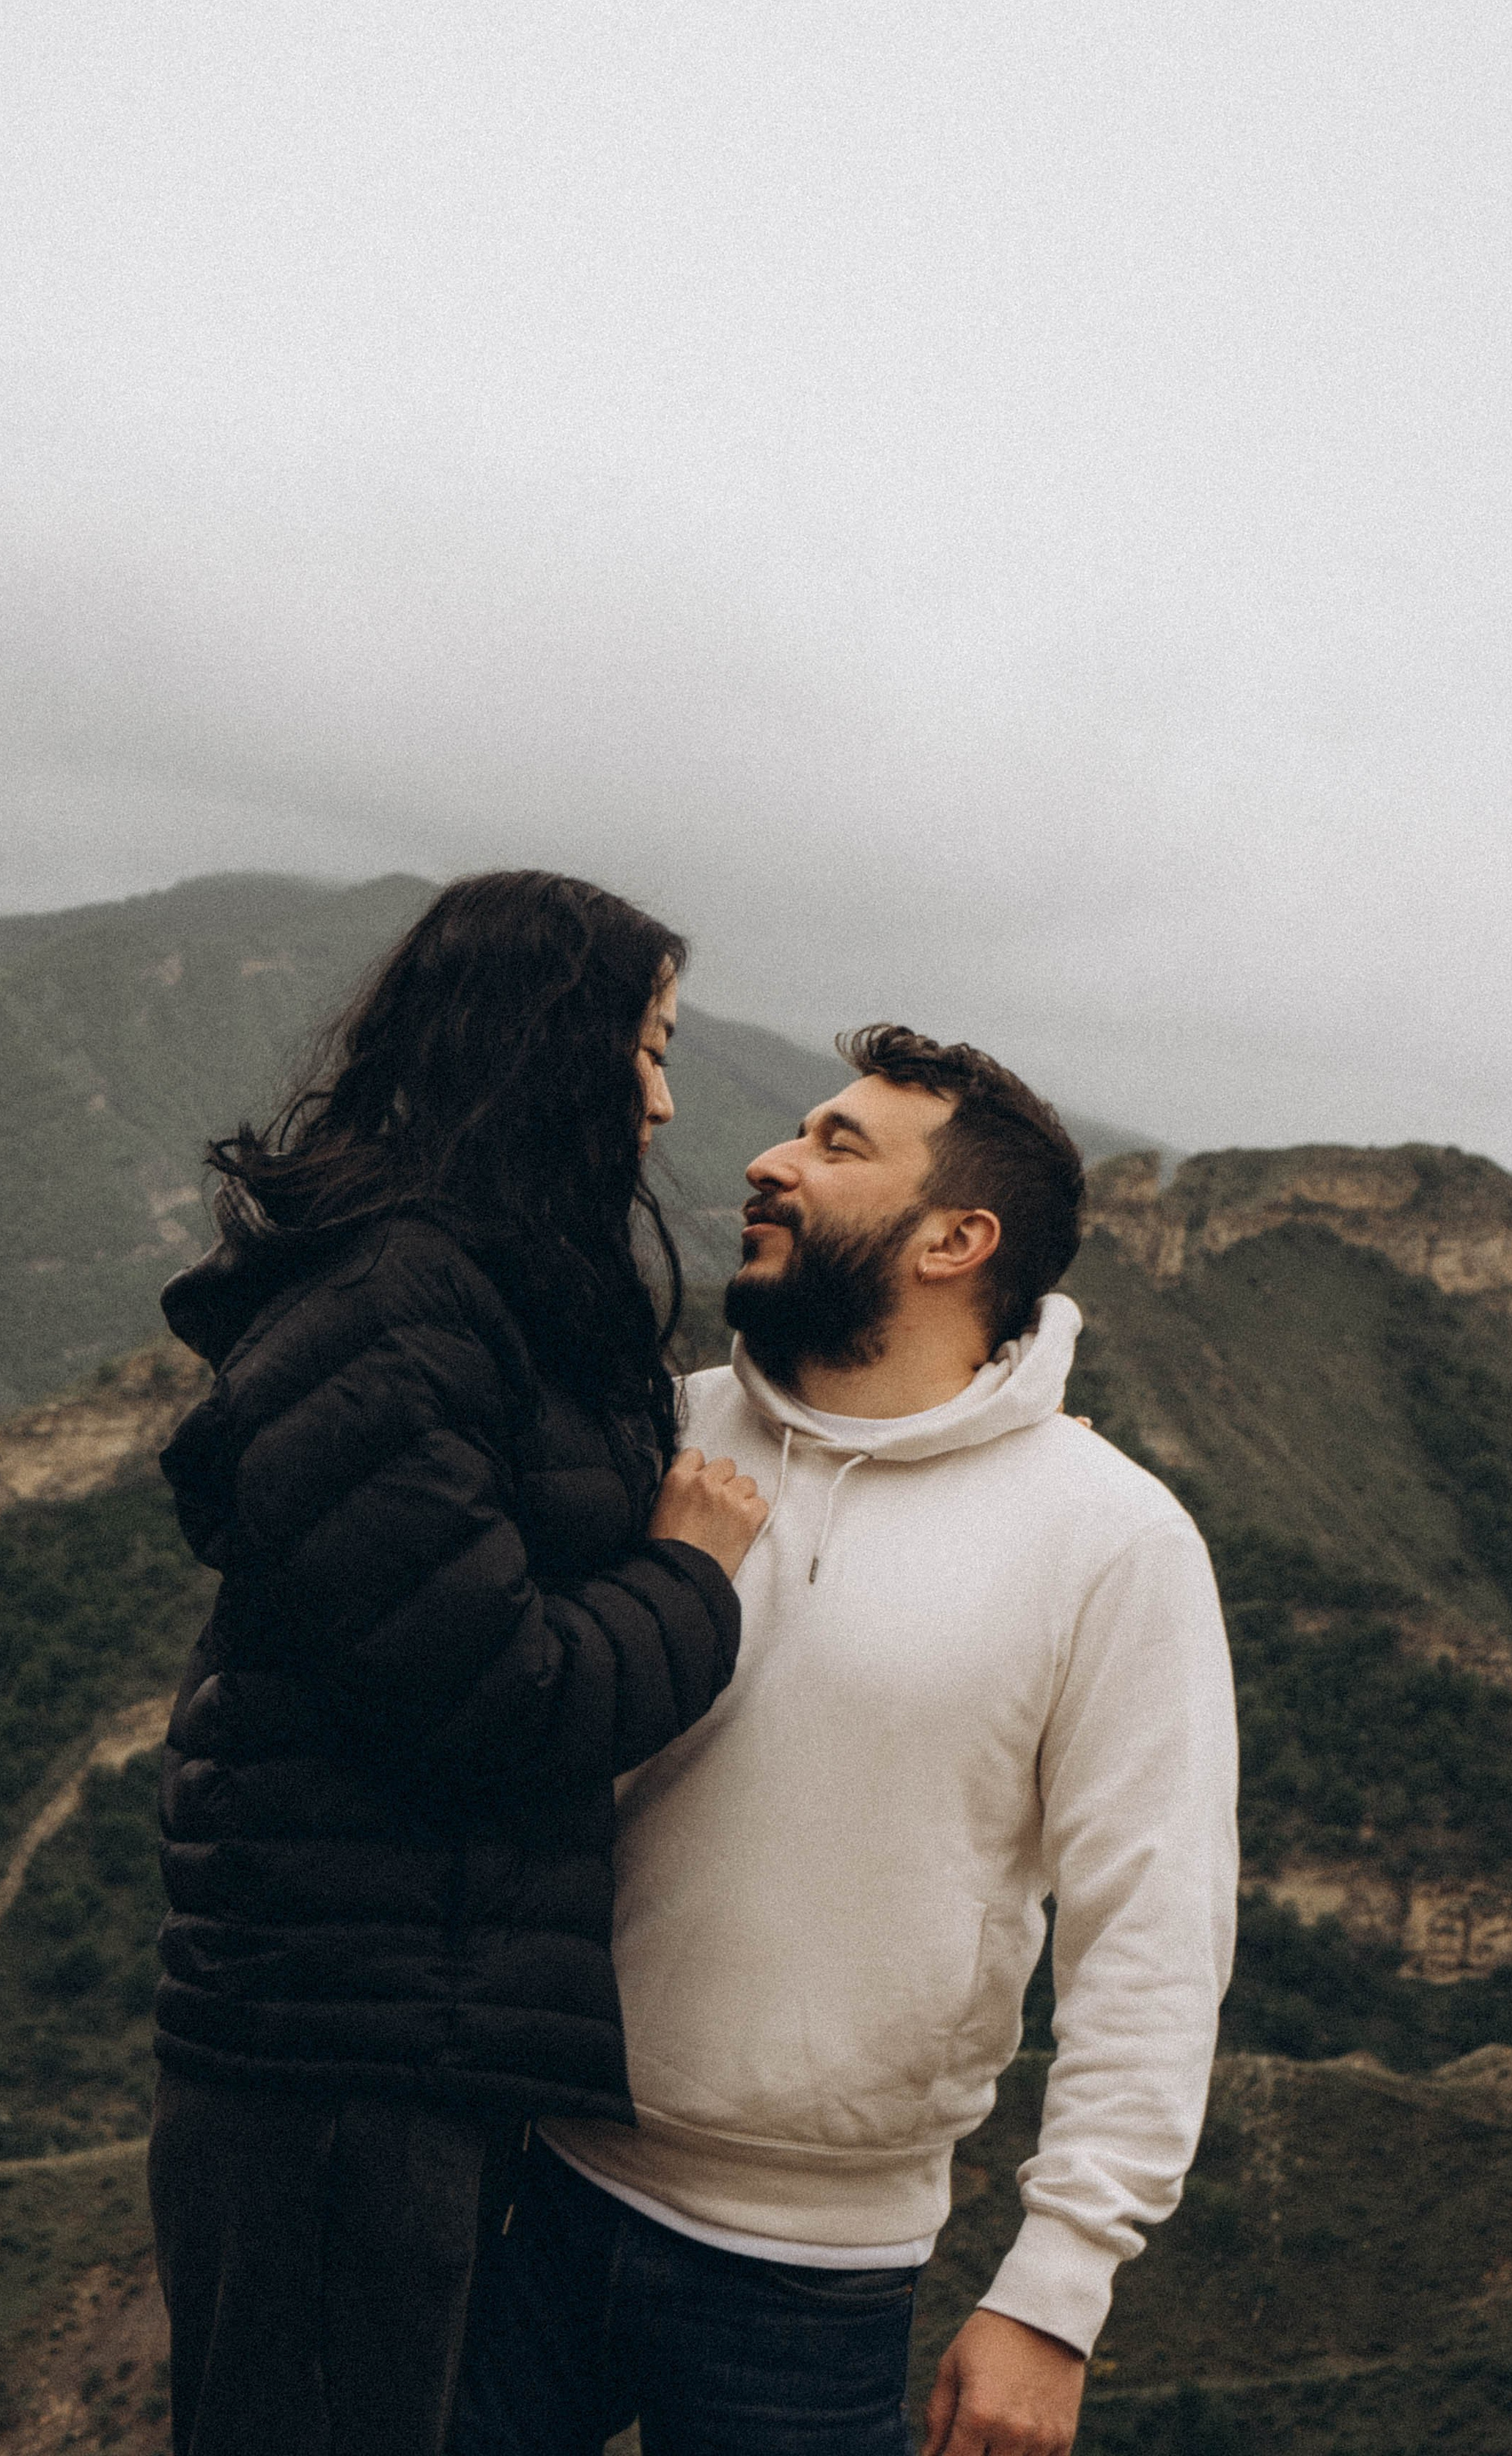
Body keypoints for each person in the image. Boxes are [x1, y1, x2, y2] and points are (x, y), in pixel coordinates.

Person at [454, 1025, 1239, 2456]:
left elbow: (1151, 1931)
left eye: (832, 1144)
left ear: (956, 1236)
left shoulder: (1112, 1541)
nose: (764, 1158)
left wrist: (1056, 2290)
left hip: (811, 2285)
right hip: (525, 2201)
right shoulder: (661, 1439)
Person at [145, 871, 768, 2456]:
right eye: (642, 1052)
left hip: (412, 2033)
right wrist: (692, 1578)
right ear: (539, 1052)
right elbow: (505, 1692)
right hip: (336, 2062)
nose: (663, 1099)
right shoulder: (388, 1309)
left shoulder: (476, 1295)